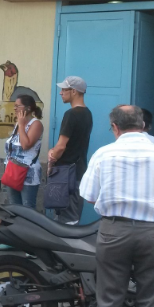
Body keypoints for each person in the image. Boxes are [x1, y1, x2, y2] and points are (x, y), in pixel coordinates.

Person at [80, 105, 154, 307]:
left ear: (115, 127)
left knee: (109, 299)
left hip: (114, 231)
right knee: (151, 302)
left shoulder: (103, 154)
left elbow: (89, 195)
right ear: (142, 125)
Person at [47, 76, 93, 225]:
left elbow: (61, 146)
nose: (60, 93)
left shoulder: (71, 114)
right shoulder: (87, 113)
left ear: (74, 91)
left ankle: (63, 246)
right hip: (78, 170)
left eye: (63, 89)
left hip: (66, 173)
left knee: (65, 217)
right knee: (73, 214)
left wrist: (52, 155)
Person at [4, 95, 44, 210]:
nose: (14, 108)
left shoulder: (36, 124)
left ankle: (28, 228)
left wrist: (21, 125)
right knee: (14, 207)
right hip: (13, 171)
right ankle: (17, 228)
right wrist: (20, 124)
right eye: (14, 106)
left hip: (28, 172)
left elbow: (25, 145)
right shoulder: (17, 124)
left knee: (27, 208)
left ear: (28, 108)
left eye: (17, 106)